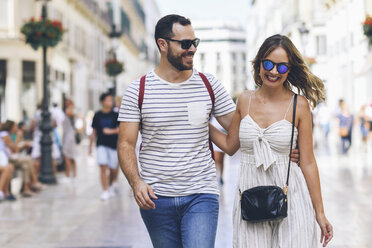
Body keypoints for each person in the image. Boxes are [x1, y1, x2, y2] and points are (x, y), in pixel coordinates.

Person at [117, 15, 299, 248]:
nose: (192, 49)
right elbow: (125, 144)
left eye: (195, 42)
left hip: (201, 194)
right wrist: (136, 183)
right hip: (156, 198)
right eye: (185, 44)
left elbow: (239, 136)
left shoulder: (208, 85)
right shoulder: (138, 90)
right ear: (162, 44)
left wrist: (286, 148)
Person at [209, 34, 333, 247]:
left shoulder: (299, 105)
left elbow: (309, 162)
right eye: (268, 64)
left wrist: (320, 213)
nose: (274, 71)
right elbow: (230, 146)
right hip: (250, 198)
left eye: (282, 67)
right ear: (259, 64)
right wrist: (203, 123)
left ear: (289, 70)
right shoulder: (245, 100)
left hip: (291, 197)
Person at [89, 92, 119, 201]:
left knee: (113, 169)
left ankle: (110, 185)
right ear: (102, 102)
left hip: (113, 145)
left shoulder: (116, 115)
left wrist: (111, 131)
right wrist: (90, 147)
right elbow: (93, 131)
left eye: (111, 100)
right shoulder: (97, 115)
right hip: (101, 144)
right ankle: (105, 190)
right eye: (108, 100)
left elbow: (121, 130)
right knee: (103, 167)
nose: (110, 102)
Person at [62, 102, 78, 181]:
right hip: (68, 136)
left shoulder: (69, 112)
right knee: (71, 156)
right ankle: (73, 175)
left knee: (68, 156)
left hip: (69, 137)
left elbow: (69, 113)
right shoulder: (71, 112)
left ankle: (69, 175)